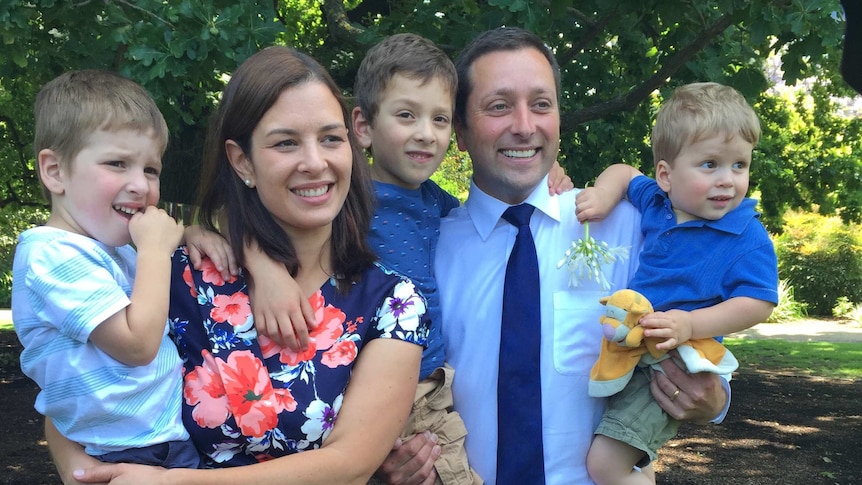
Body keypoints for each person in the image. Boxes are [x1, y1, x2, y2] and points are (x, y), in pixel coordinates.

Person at [48, 46, 429, 485]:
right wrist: (83, 474)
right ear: (242, 160)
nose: (314, 161)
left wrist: (175, 484)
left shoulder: (392, 304)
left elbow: (350, 464)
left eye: (331, 138)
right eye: (286, 142)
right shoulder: (174, 276)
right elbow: (70, 396)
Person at [376, 27, 731, 485]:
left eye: (541, 104)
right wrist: (394, 462)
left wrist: (715, 398)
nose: (525, 125)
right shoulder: (425, 250)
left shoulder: (628, 229)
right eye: (499, 106)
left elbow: (703, 336)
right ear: (459, 130)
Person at [234, 33, 571, 484]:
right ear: (364, 126)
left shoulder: (441, 207)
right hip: (352, 377)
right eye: (406, 115)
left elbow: (501, 213)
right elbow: (252, 225)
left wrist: (563, 180)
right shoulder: (344, 196)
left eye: (439, 119)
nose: (424, 133)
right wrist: (265, 268)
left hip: (427, 383)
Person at [576, 82, 778, 484]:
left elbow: (758, 302)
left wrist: (690, 324)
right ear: (666, 175)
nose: (728, 180)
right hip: (635, 351)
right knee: (630, 455)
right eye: (710, 165)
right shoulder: (657, 202)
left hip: (675, 362)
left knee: (605, 465)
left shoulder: (746, 234)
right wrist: (602, 195)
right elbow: (622, 171)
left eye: (739, 165)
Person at [10, 70, 195, 468]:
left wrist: (196, 236)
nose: (141, 185)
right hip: (123, 454)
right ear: (55, 171)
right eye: (117, 163)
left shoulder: (115, 251)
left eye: (150, 170)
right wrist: (154, 252)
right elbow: (137, 345)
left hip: (164, 444)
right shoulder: (53, 256)